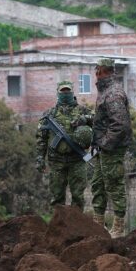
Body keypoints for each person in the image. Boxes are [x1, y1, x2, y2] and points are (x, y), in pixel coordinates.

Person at [35, 81, 93, 210]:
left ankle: (76, 225)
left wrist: (85, 119)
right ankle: (58, 225)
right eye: (63, 91)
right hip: (56, 161)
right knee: (57, 197)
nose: (65, 93)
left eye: (68, 91)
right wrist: (40, 159)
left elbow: (97, 121)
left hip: (77, 160)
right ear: (58, 93)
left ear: (72, 92)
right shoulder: (49, 114)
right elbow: (41, 138)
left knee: (78, 197)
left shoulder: (83, 111)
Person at [91, 58, 132, 237]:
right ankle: (98, 225)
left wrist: (106, 144)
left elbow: (120, 125)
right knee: (98, 185)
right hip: (103, 148)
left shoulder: (113, 93)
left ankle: (118, 228)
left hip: (111, 149)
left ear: (101, 71)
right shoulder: (105, 91)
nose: (96, 74)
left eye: (96, 71)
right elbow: (105, 120)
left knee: (114, 185)